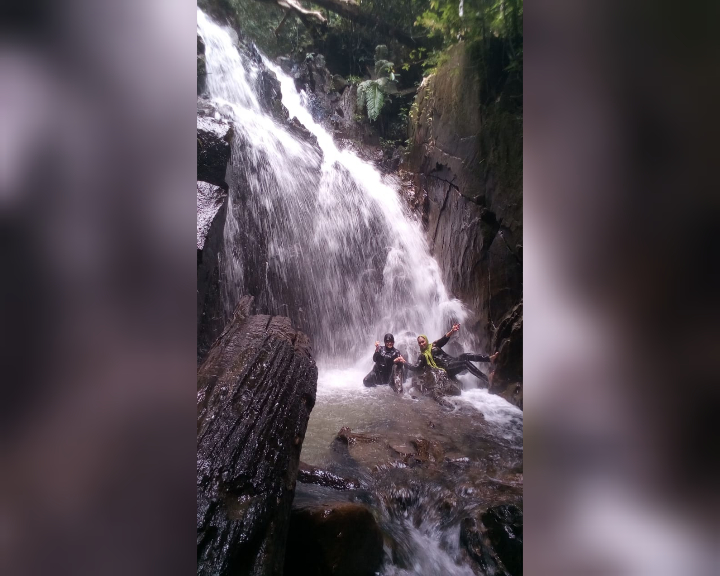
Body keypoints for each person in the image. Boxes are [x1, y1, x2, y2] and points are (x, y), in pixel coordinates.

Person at [399, 324, 498, 384]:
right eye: (419, 343)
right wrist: (404, 362)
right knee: (465, 363)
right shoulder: (423, 356)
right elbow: (416, 367)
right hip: (446, 368)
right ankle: (486, 379)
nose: (421, 344)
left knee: (465, 355)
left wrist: (452, 331)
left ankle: (490, 359)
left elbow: (444, 339)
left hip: (452, 361)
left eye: (422, 341)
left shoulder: (433, 345)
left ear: (426, 340)